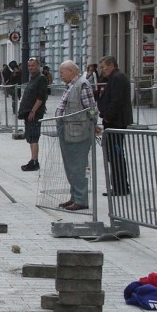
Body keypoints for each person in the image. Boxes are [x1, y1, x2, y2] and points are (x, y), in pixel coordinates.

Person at [54, 60, 97, 211]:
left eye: (62, 72)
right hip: (67, 130)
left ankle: (81, 199)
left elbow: (91, 108)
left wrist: (94, 123)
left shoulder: (82, 85)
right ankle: (74, 197)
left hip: (78, 131)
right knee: (70, 166)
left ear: (71, 71)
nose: (60, 75)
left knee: (78, 166)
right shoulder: (71, 85)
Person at [97, 55, 133, 196]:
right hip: (113, 122)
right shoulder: (113, 77)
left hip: (116, 122)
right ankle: (118, 185)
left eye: (103, 67)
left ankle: (121, 186)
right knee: (113, 155)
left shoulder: (118, 78)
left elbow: (116, 101)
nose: (102, 70)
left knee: (116, 155)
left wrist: (107, 116)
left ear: (111, 65)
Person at [17, 57, 49, 171]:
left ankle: (35, 161)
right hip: (28, 112)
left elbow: (41, 97)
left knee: (34, 137)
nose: (30, 68)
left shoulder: (41, 79)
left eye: (33, 65)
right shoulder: (33, 78)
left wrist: (33, 111)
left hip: (34, 113)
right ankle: (32, 159)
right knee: (30, 137)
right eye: (29, 66)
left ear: (38, 66)